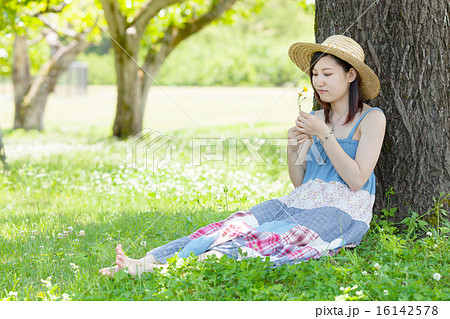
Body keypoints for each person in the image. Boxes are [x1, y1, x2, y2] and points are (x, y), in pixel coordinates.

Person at [99, 35, 386, 277]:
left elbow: (357, 179)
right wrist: (293, 147)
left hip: (342, 210)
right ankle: (147, 262)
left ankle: (181, 269)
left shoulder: (371, 119)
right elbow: (301, 183)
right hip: (301, 200)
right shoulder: (315, 117)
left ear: (350, 75)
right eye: (314, 74)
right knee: (236, 224)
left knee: (269, 237)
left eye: (327, 74)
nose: (318, 82)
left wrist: (324, 135)